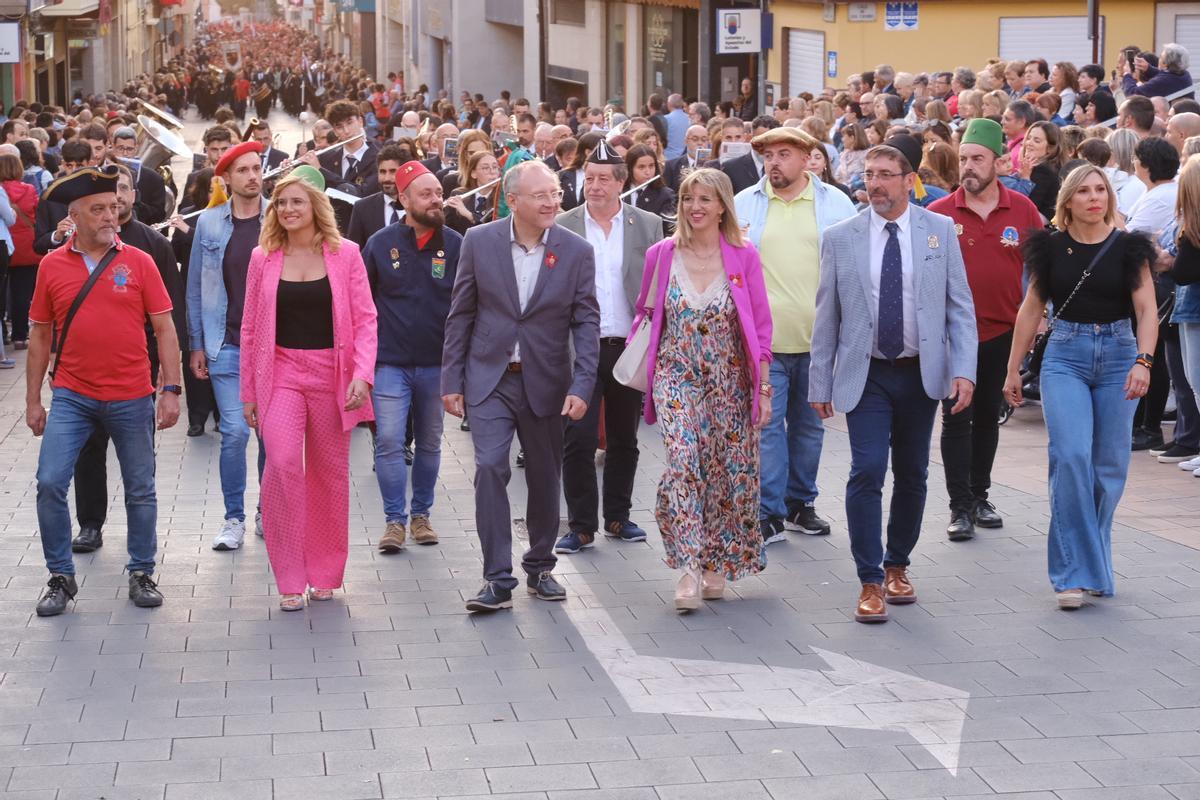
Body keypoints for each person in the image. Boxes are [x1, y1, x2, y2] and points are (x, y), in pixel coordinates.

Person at [809, 144, 977, 624]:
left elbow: (958, 306)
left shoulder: (938, 231)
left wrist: (964, 369)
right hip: (867, 374)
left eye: (886, 174)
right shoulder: (841, 237)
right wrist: (819, 381)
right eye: (869, 174)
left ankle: (898, 564)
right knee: (866, 470)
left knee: (913, 473)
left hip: (920, 373)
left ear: (909, 180)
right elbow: (827, 316)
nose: (875, 183)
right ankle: (869, 579)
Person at [441, 160, 600, 613]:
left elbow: (587, 320)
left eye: (555, 192)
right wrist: (451, 379)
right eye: (541, 195)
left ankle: (541, 566)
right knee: (490, 466)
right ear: (513, 201)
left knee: (545, 476)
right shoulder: (479, 241)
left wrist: (584, 383)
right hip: (489, 378)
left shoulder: (575, 250)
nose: (553, 201)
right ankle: (497, 578)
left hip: (547, 380)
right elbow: (461, 313)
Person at [26, 165, 181, 617]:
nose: (110, 216)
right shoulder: (52, 266)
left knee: (140, 488)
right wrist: (33, 400)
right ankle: (59, 575)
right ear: (73, 217)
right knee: (50, 482)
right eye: (97, 210)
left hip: (132, 394)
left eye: (112, 207)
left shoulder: (139, 261)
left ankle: (141, 570)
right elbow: (38, 336)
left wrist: (169, 389)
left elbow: (164, 328)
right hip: (72, 396)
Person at [1004, 165, 1157, 608]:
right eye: (1084, 191)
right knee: (1070, 457)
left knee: (1109, 468)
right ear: (1067, 201)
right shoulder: (1049, 248)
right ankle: (1073, 573)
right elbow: (1030, 310)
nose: (1095, 198)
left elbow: (1146, 310)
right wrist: (1012, 369)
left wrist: (1144, 361)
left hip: (1119, 353)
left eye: (1101, 190)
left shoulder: (1130, 249)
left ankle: (1092, 561)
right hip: (1065, 354)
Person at [631, 168, 772, 610]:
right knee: (685, 460)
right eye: (689, 199)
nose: (695, 207)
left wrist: (764, 388)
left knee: (729, 472)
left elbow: (762, 326)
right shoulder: (661, 254)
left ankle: (717, 562)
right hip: (676, 372)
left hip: (730, 377)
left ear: (723, 206)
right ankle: (689, 566)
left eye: (706, 200)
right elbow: (645, 312)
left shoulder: (744, 256)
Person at [240, 167, 377, 611]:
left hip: (331, 373)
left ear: (315, 206)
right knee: (281, 463)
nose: (287, 210)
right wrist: (249, 392)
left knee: (329, 474)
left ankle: (323, 573)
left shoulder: (346, 254)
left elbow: (365, 318)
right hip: (279, 372)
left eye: (296, 202)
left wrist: (363, 374)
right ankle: (290, 578)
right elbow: (248, 328)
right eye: (280, 203)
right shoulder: (263, 257)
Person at [735, 127, 855, 544]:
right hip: (764, 344)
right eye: (768, 155)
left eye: (784, 154)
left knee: (809, 427)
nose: (774, 162)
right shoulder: (743, 203)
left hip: (819, 339)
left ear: (808, 158)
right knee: (767, 427)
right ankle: (769, 511)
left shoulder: (836, 203)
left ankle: (801, 502)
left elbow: (853, 271)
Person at [929, 120, 1043, 541]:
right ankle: (959, 507)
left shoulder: (1022, 209)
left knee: (988, 418)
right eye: (963, 159)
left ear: (999, 161)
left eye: (977, 159)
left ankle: (980, 496)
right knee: (957, 416)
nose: (968, 167)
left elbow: (1042, 264)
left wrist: (1040, 309)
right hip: (952, 335)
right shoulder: (939, 213)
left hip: (1003, 331)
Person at [67, 164, 185, 555]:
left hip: (137, 369)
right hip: (83, 374)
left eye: (123, 190)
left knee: (138, 462)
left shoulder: (153, 245)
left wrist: (170, 381)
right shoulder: (77, 245)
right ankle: (90, 523)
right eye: (108, 193)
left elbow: (170, 315)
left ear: (133, 195)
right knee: (88, 449)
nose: (115, 200)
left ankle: (142, 549)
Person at [552, 140, 663, 554]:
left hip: (627, 344)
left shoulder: (647, 225)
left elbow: (656, 285)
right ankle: (581, 525)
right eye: (589, 178)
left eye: (603, 179)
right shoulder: (564, 224)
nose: (594, 186)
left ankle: (618, 516)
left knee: (623, 438)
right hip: (579, 348)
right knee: (577, 439)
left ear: (621, 183)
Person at [362, 161, 461, 553]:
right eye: (426, 194)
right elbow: (363, 304)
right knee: (388, 441)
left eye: (438, 192)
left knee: (431, 442)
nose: (436, 200)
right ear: (403, 199)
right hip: (389, 363)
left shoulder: (455, 244)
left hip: (437, 364)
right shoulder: (380, 244)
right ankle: (393, 521)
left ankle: (421, 515)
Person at [187, 140, 267, 551]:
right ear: (227, 179)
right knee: (235, 432)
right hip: (226, 344)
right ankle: (234, 516)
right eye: (244, 170)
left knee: (272, 436)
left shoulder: (281, 217)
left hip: (276, 348)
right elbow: (197, 287)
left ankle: (266, 511)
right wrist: (196, 344)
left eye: (257, 168)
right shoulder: (210, 223)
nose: (253, 176)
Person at [1171, 155, 1200, 478]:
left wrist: (1168, 258)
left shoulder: (1193, 228)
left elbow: (1184, 271)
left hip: (1194, 309)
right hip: (1191, 309)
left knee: (1197, 382)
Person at [346, 144, 408, 247]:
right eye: (382, 172)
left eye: (393, 171)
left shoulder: (418, 204)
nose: (386, 178)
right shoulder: (362, 208)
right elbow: (355, 251)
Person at [444, 150, 501, 236]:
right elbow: (447, 229)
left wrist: (469, 215)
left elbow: (491, 230)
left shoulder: (501, 199)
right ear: (473, 173)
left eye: (495, 167)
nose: (492, 172)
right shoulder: (458, 194)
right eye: (485, 168)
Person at [1018, 121, 1065, 221]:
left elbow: (1029, 205)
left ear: (1050, 148)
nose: (1029, 143)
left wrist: (1025, 178)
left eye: (1037, 141)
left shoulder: (1044, 170)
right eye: (1029, 138)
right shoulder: (1043, 167)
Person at [624, 144, 676, 219]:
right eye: (641, 167)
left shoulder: (665, 195)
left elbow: (667, 228)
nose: (648, 172)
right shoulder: (619, 191)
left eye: (651, 166)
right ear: (630, 168)